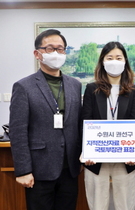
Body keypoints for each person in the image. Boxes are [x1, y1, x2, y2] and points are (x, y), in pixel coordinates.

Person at [9, 29, 82, 210]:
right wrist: (23, 170)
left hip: (70, 169)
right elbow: (18, 132)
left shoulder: (75, 84)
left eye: (61, 49)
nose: (56, 53)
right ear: (37, 54)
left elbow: (78, 125)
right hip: (39, 169)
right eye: (50, 49)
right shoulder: (23, 86)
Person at [82, 41, 135, 210]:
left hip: (125, 159)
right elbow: (85, 121)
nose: (114, 61)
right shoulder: (91, 89)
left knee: (125, 203)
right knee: (98, 204)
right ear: (102, 61)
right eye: (109, 57)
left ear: (125, 61)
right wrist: (87, 151)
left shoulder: (134, 91)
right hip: (96, 158)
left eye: (118, 57)